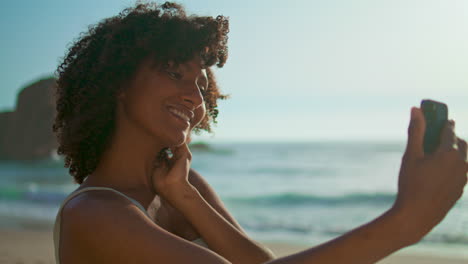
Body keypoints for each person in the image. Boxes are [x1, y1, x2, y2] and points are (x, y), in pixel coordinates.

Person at [52, 2, 468, 264]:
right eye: (173, 72)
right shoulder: (94, 214)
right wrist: (406, 222)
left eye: (199, 83)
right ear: (118, 83)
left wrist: (185, 198)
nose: (193, 95)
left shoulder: (182, 187)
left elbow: (257, 262)